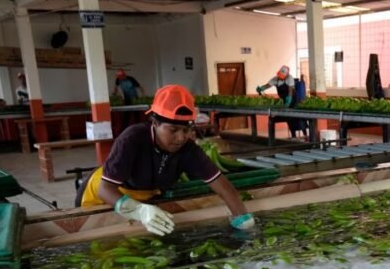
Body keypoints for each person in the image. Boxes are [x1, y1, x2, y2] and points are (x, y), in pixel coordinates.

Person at [75, 84, 255, 235]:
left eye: (186, 130)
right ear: (155, 122)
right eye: (173, 130)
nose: (181, 138)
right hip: (104, 194)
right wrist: (139, 210)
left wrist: (244, 221)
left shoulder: (188, 150)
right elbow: (105, 190)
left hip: (144, 196)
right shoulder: (132, 139)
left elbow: (225, 188)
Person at [256, 65, 307, 139]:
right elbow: (268, 85)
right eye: (279, 75)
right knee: (289, 117)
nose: (280, 77)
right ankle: (293, 135)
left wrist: (289, 99)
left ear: (286, 75)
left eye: (282, 76)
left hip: (293, 99)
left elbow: (290, 90)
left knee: (297, 116)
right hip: (284, 99)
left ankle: (305, 133)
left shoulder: (290, 78)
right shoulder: (276, 79)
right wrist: (261, 88)